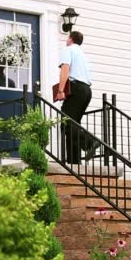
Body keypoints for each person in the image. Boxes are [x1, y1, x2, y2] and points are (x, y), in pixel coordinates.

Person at [55, 31, 99, 164]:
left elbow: (65, 69)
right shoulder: (83, 55)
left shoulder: (68, 50)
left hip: (76, 88)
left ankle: (90, 142)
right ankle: (74, 161)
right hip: (86, 90)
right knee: (73, 124)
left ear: (70, 39)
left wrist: (60, 90)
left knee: (66, 122)